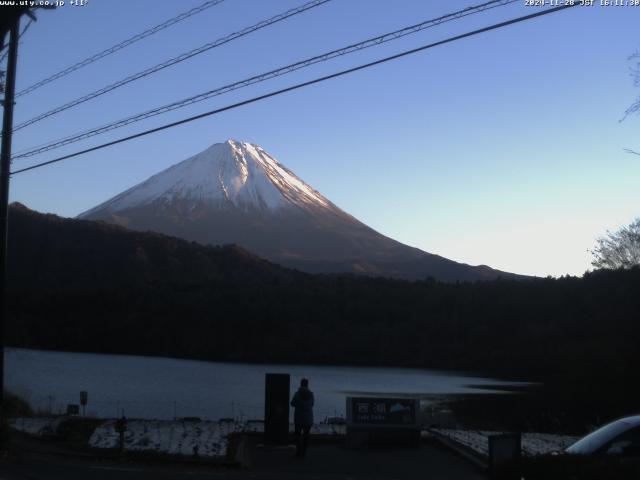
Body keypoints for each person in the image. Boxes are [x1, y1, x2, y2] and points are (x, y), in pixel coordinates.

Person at [290, 377, 314, 458]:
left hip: (299, 418)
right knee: (306, 437)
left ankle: (298, 451)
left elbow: (292, 403)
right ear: (307, 385)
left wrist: (299, 405)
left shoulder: (297, 394)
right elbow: (312, 404)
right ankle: (303, 453)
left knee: (297, 436)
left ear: (301, 384)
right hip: (308, 419)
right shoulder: (311, 394)